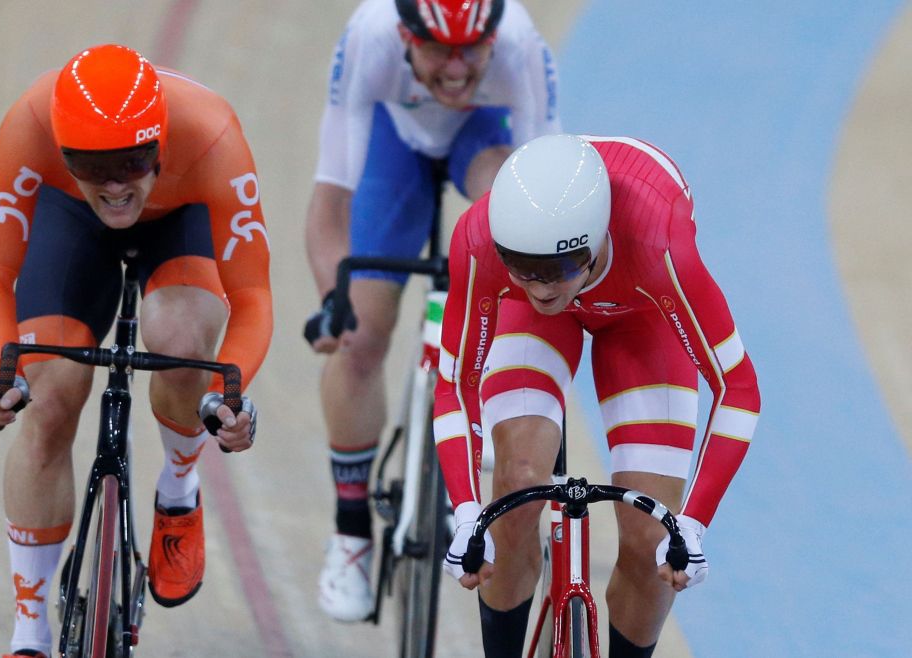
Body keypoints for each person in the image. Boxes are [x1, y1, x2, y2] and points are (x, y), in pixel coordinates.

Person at [0, 44, 272, 658]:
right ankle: (29, 633)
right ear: (61, 148)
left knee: (182, 344)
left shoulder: (212, 133)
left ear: (160, 143)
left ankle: (179, 490)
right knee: (49, 399)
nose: (113, 185)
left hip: (180, 218)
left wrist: (228, 392)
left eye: (132, 161)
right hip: (67, 218)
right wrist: (0, 376)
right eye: (91, 163)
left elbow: (252, 294)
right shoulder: (30, 122)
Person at [434, 133, 761, 657]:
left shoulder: (660, 242)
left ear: (597, 238)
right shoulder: (479, 239)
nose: (542, 287)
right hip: (537, 325)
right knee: (517, 483)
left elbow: (738, 388)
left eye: (561, 268)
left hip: (642, 314)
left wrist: (692, 525)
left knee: (654, 540)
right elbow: (455, 382)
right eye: (523, 267)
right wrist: (468, 512)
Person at [302, 0, 560, 622]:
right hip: (395, 141)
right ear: (403, 35)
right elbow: (331, 199)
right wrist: (333, 300)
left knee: (515, 208)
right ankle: (351, 533)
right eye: (438, 49)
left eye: (472, 47)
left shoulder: (520, 46)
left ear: (493, 36)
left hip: (484, 140)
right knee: (360, 338)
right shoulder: (369, 39)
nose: (455, 67)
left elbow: (549, 200)